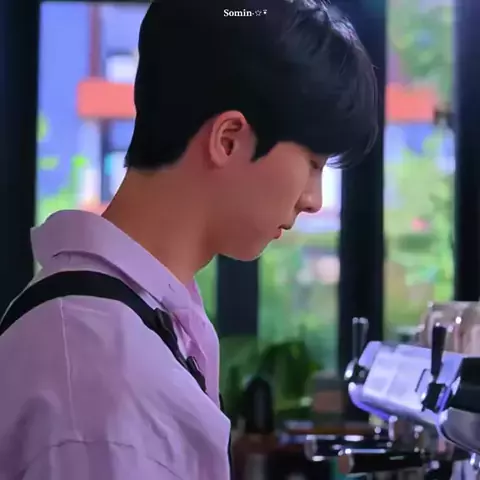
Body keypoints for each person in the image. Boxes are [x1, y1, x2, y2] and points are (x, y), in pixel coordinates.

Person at [0, 0, 377, 478]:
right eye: (313, 163)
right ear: (228, 139)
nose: (314, 200)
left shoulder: (129, 321)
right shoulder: (106, 376)